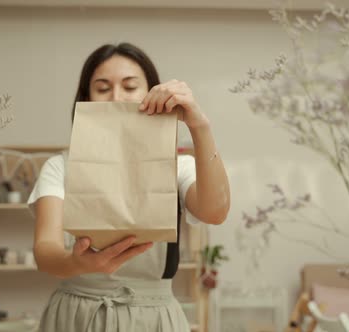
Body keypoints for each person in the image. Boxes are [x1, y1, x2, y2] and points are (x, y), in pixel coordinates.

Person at [28, 42, 230, 332]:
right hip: (77, 316)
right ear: (85, 98)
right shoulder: (60, 166)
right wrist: (78, 263)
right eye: (102, 87)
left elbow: (216, 212)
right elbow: (45, 252)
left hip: (155, 318)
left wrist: (199, 125)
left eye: (130, 86)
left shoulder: (177, 165)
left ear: (151, 93)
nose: (117, 97)